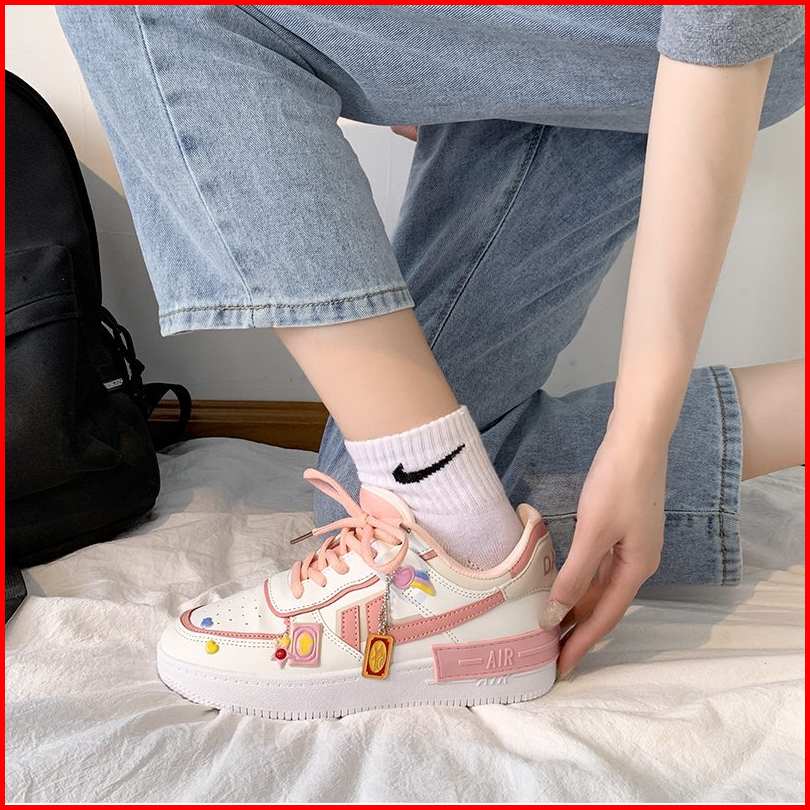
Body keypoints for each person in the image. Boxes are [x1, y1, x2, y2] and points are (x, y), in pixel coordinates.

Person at [56, 5, 805, 719]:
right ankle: (460, 531)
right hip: (547, 43)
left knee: (428, 521)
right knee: (388, 497)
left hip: (692, 41)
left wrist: (642, 437)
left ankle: (454, 541)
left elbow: (728, 28)